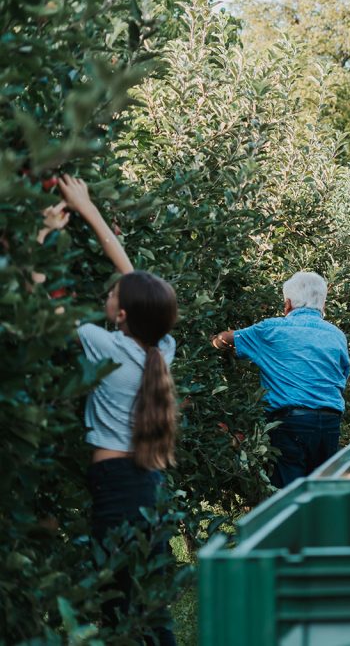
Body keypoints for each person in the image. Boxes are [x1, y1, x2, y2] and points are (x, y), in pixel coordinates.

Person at [56, 176, 179, 644]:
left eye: (114, 296)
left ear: (123, 315)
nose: (110, 294)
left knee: (120, 606)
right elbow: (140, 285)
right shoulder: (158, 351)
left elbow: (45, 298)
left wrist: (47, 232)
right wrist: (88, 209)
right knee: (147, 601)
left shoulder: (102, 345)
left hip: (115, 489)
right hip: (148, 483)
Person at [211, 272, 350, 488]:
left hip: (290, 423)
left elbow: (226, 339)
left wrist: (214, 344)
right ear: (323, 304)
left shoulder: (270, 330)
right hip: (329, 423)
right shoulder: (336, 335)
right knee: (322, 491)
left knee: (288, 494)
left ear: (287, 304)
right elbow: (342, 375)